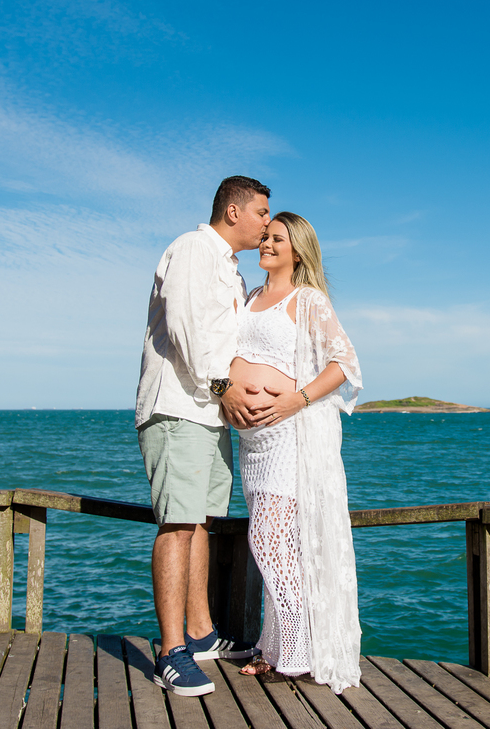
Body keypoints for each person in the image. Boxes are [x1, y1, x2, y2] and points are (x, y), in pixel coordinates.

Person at [135, 175, 272, 696]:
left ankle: (200, 634)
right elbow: (185, 328)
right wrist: (225, 389)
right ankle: (170, 652)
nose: (266, 223)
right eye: (261, 212)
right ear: (234, 211)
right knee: (178, 522)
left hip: (210, 414)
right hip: (178, 408)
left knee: (201, 522)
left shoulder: (232, 272)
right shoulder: (194, 249)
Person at [230, 211, 363, 693]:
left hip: (289, 435)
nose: (265, 242)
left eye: (276, 238)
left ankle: (300, 647)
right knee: (280, 544)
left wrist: (296, 399)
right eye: (264, 236)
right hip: (253, 439)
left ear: (298, 250)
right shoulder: (249, 298)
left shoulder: (307, 300)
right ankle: (276, 647)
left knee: (268, 540)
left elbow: (344, 363)